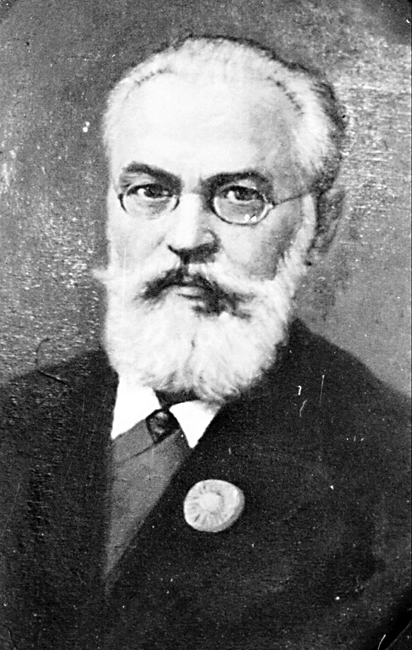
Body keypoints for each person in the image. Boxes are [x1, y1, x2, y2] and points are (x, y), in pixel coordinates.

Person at [0, 35, 410, 650]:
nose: (187, 237)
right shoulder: (15, 423)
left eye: (240, 196)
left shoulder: (390, 469)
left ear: (321, 225)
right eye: (150, 191)